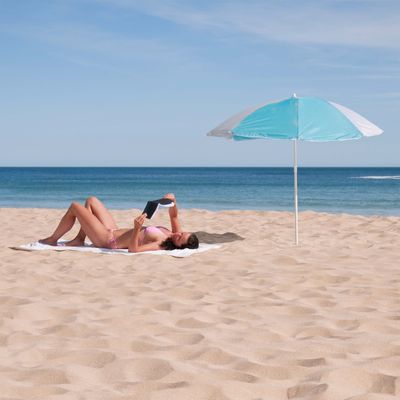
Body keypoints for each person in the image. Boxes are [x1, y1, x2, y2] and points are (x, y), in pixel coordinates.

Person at [39, 193, 199, 252]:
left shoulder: (162, 243)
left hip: (108, 240)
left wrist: (137, 228)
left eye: (179, 238)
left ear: (178, 246)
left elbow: (134, 250)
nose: (178, 234)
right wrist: (172, 200)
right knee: (91, 200)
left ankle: (53, 240)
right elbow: (175, 217)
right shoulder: (174, 233)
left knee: (75, 206)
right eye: (182, 233)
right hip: (113, 230)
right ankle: (80, 239)